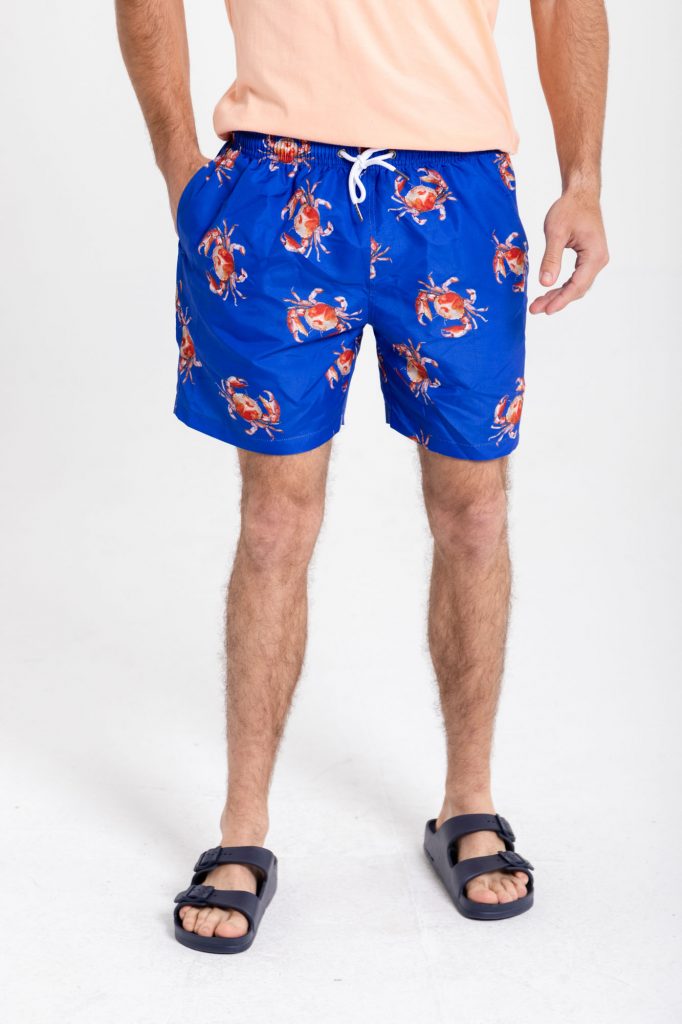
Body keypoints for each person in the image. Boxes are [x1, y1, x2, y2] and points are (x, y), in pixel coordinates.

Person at [116, 0, 609, 952]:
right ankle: (241, 831)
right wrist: (180, 166)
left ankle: (469, 803)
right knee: (275, 521)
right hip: (277, 185)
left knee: (474, 513)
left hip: (458, 190)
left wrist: (583, 176)